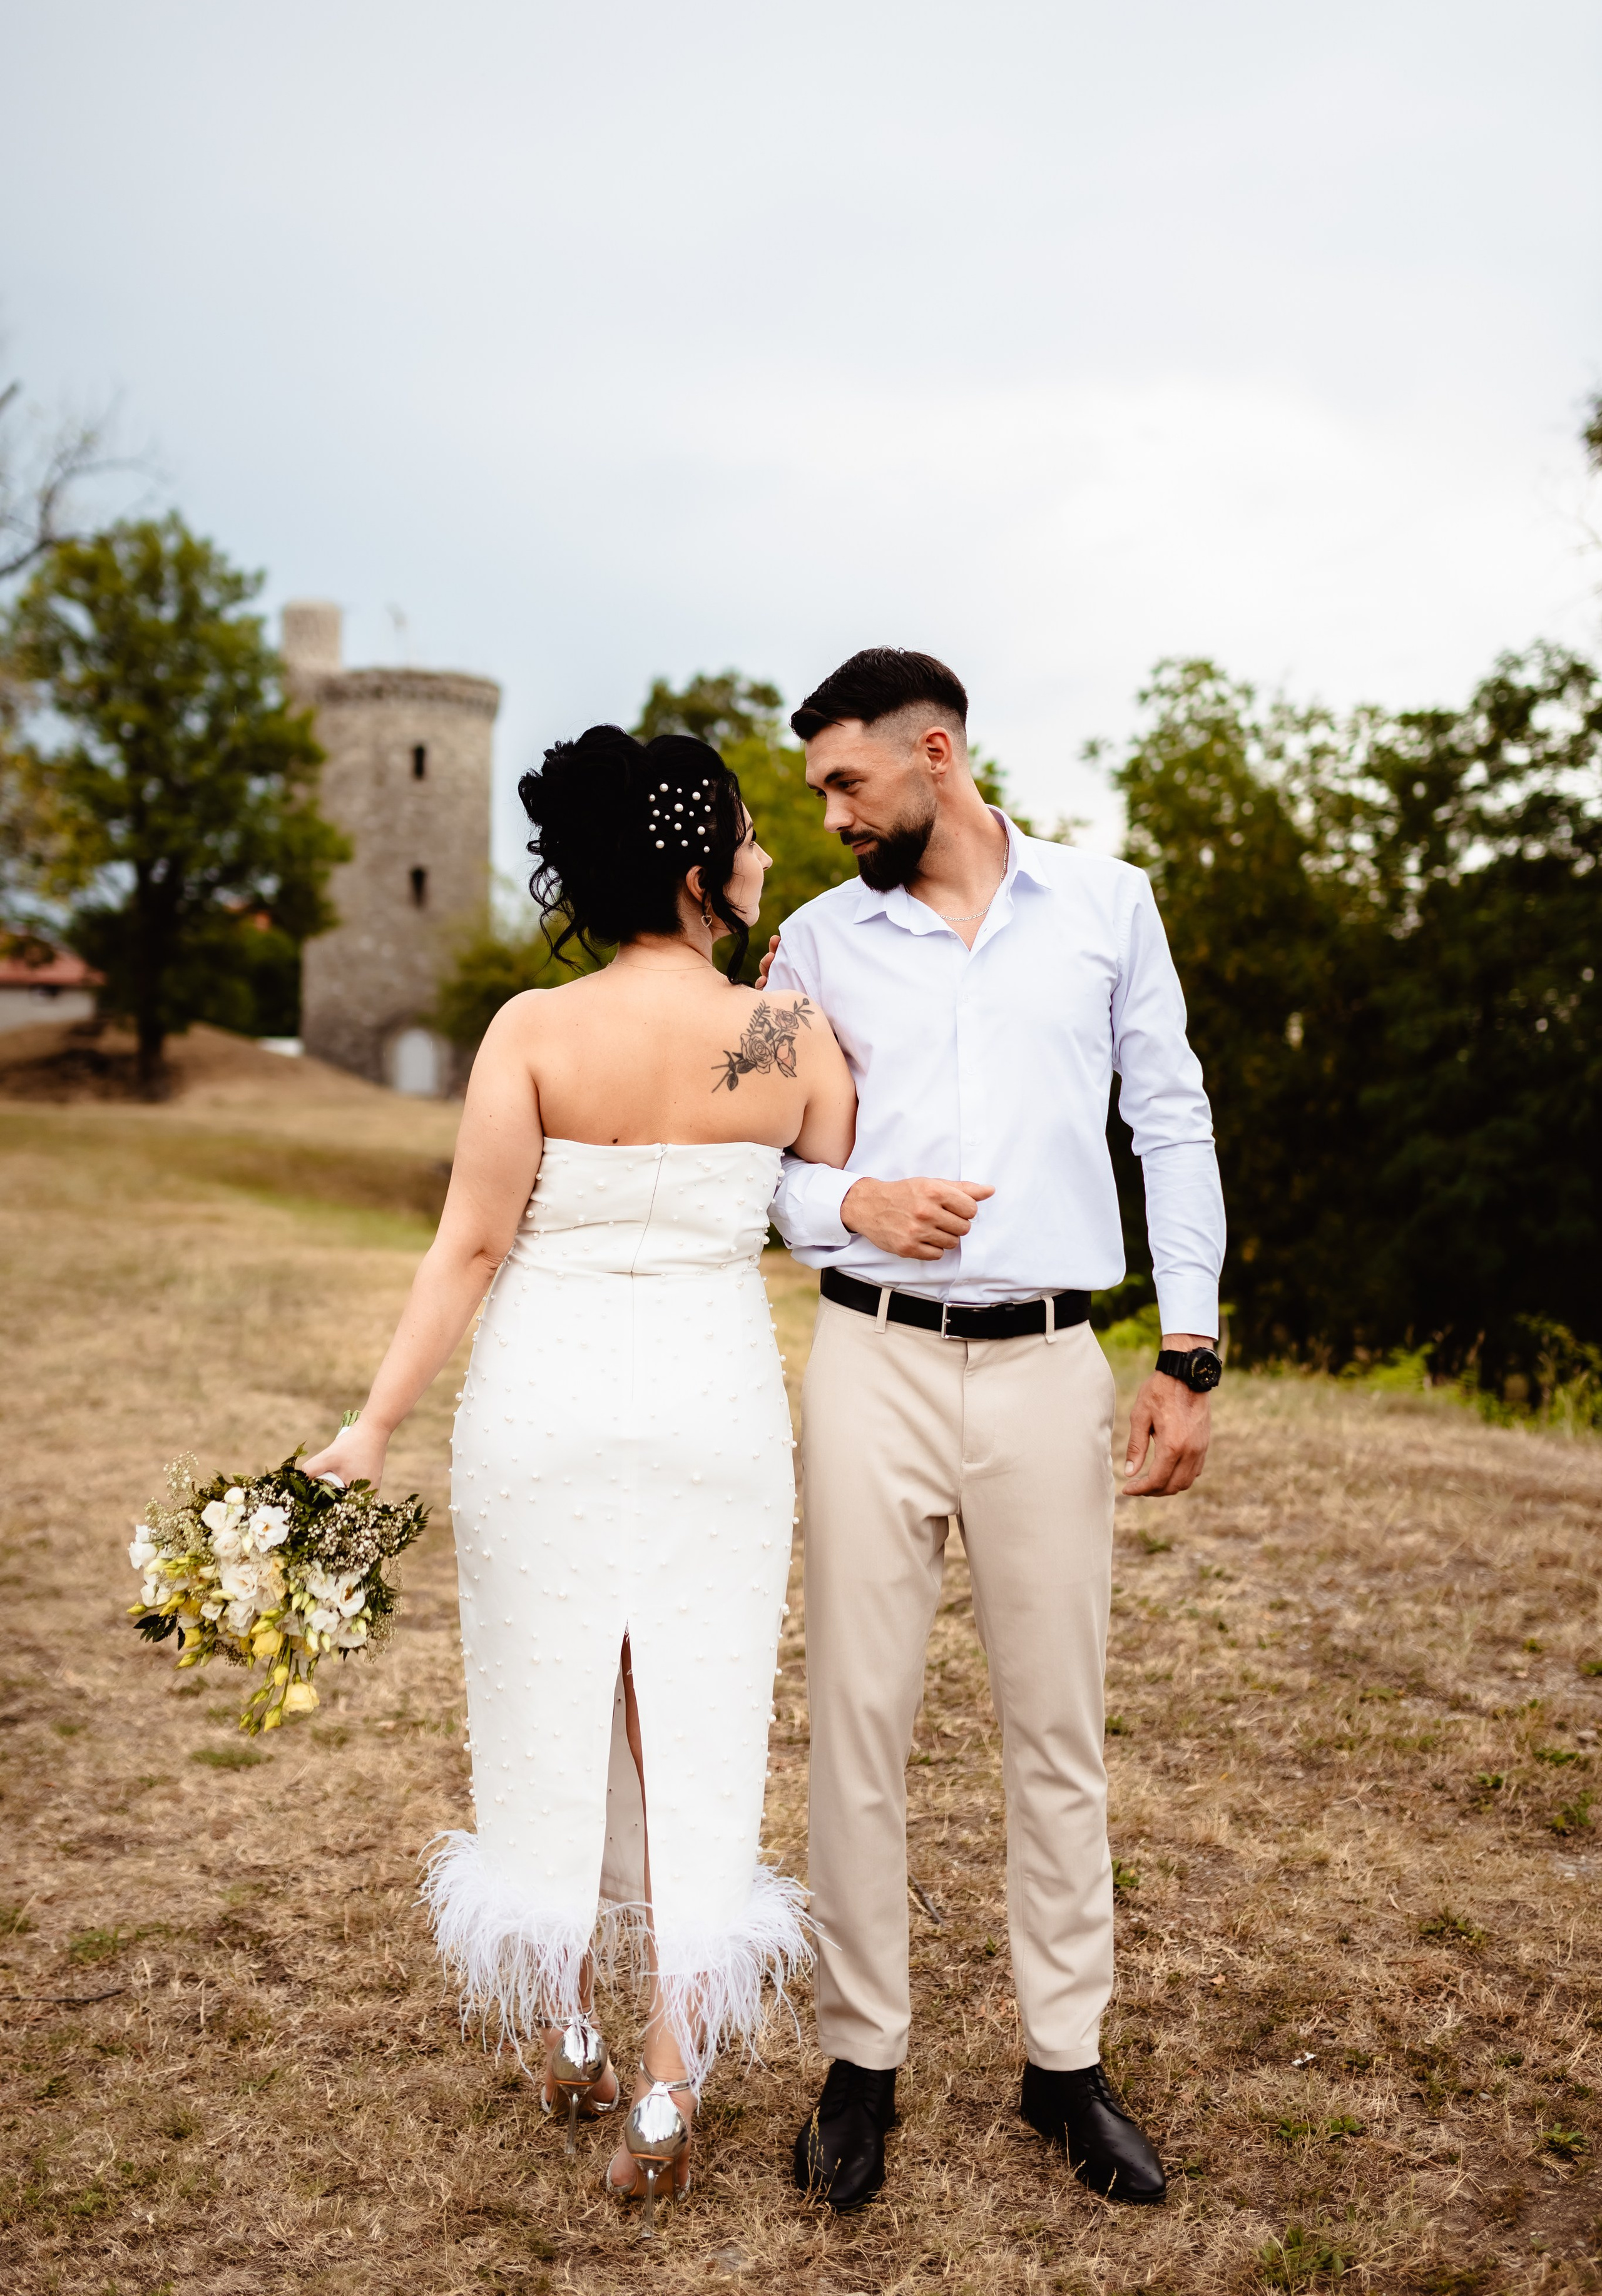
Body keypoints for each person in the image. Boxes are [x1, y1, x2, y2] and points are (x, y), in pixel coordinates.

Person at [304, 725, 855, 2219]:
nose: (762, 857)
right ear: (695, 873)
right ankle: (670, 2077)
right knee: (698, 1727)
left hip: (541, 1407)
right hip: (708, 1410)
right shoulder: (787, 1032)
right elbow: (826, 1178)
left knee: (544, 1702)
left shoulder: (533, 1029)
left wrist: (371, 1427)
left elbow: (471, 1244)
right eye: (745, 837)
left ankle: (563, 2029)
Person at [762, 649, 1225, 2210]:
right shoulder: (810, 944)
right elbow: (755, 1160)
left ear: (935, 755)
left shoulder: (1107, 905)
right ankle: (858, 2064)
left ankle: (1063, 2065)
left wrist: (1187, 1348)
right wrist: (854, 1202)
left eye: (846, 782)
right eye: (818, 791)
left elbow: (1171, 1121)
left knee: (1056, 1727)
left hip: (1046, 1365)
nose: (830, 815)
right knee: (857, 1718)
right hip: (869, 1359)